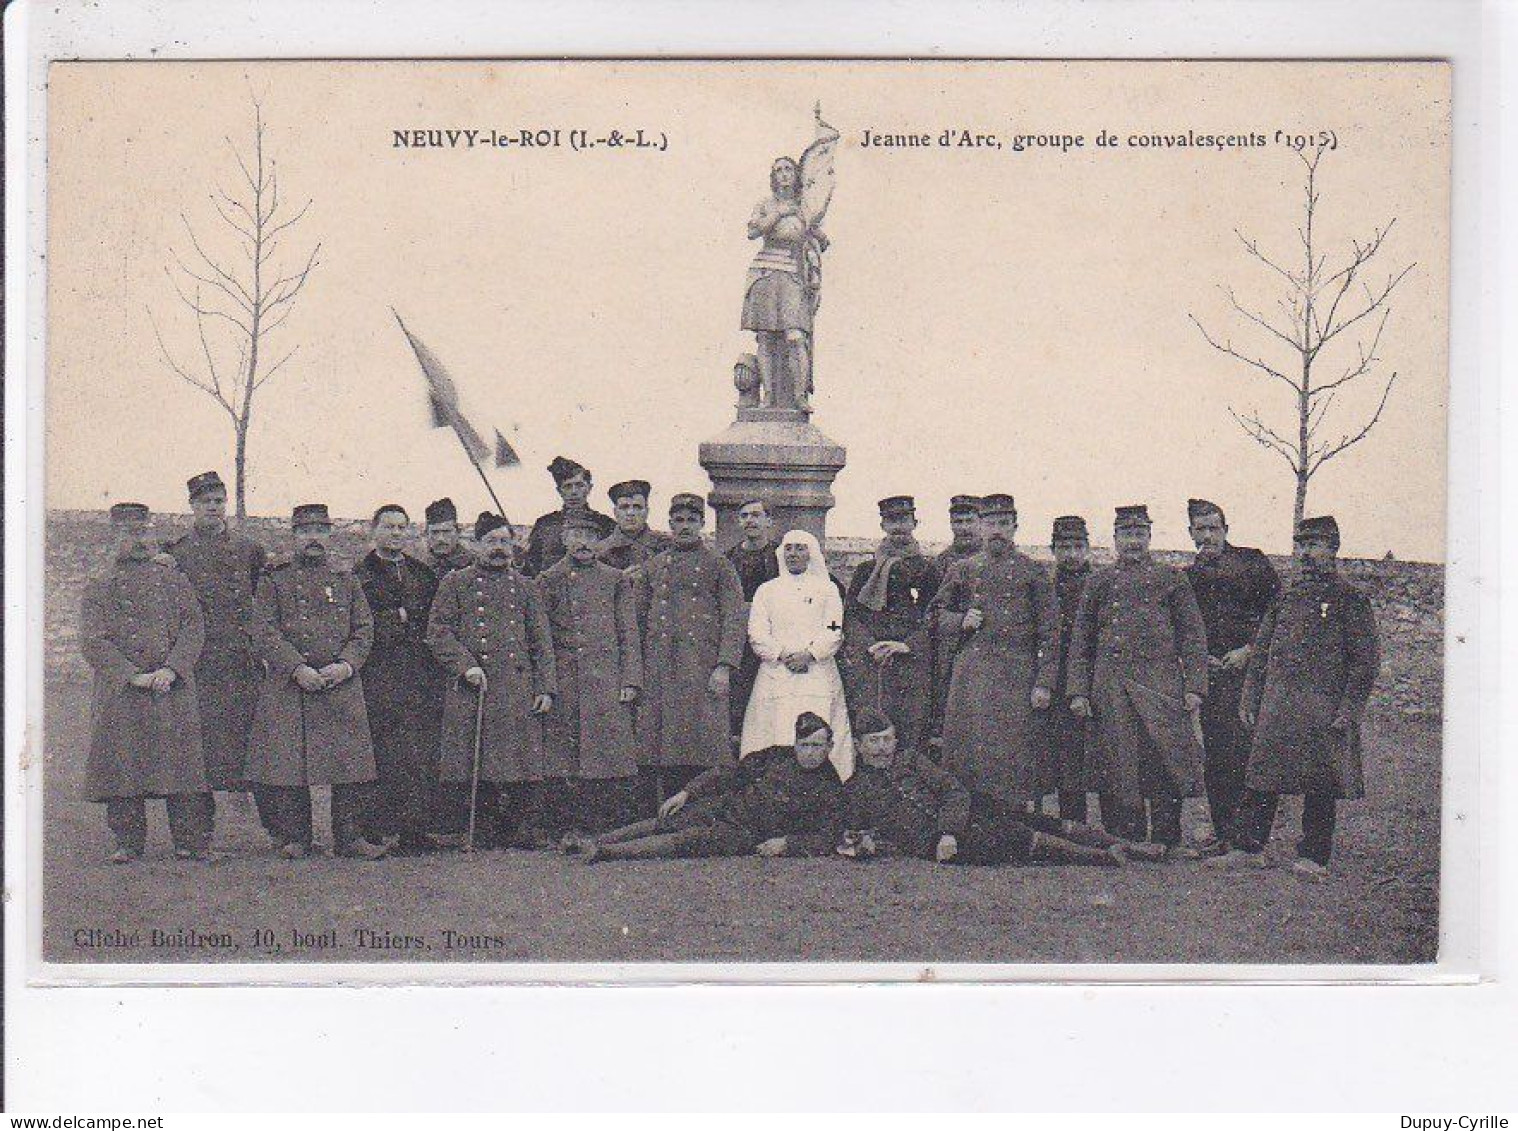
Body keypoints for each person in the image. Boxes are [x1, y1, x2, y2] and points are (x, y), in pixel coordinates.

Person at [1210, 516, 1380, 879]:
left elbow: (1365, 663)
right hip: (1277, 705)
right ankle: (1248, 848)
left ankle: (1314, 856)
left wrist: (1348, 710)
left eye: (1314, 545)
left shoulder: (1350, 599)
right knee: (1261, 777)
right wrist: (1250, 699)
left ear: (1333, 548)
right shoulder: (1286, 597)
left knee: (1321, 783)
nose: (1305, 554)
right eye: (1301, 546)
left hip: (1323, 708)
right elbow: (1261, 653)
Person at [837, 710, 1155, 868]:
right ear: (858, 746)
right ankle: (1102, 858)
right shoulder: (855, 788)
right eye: (873, 742)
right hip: (939, 844)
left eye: (887, 739)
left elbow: (952, 790)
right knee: (1015, 837)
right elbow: (863, 833)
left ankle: (1125, 845)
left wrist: (949, 829)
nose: (882, 748)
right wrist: (865, 843)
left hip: (962, 816)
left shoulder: (911, 760)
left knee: (1034, 819)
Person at [1067, 504, 1209, 856]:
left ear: (1149, 537)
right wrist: (1078, 691)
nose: (1133, 542)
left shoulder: (1171, 579)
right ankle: (1124, 838)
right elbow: (1082, 641)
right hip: (1110, 685)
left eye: (1139, 534)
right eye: (1126, 535)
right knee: (1117, 761)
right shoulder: (1099, 581)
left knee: (1164, 758)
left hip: (1160, 684)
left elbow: (1192, 635)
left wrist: (1194, 686)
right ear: (1115, 539)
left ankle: (1166, 837)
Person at [246, 503, 386, 860]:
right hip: (291, 684)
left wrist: (347, 665)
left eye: (319, 531)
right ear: (294, 536)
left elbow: (364, 628)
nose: (313, 538)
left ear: (329, 534)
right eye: (305, 531)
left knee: (348, 763)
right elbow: (264, 630)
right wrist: (295, 668)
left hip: (339, 682)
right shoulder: (274, 578)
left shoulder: (345, 578)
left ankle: (349, 837)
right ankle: (297, 837)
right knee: (290, 762)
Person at [81, 503, 212, 863]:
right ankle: (127, 841)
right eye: (128, 532)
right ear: (114, 536)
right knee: (123, 765)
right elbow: (92, 639)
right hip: (123, 691)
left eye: (142, 531)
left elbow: (193, 626)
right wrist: (130, 675)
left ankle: (189, 840)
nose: (137, 540)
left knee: (181, 766)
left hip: (171, 686)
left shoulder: (174, 579)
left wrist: (172, 669)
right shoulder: (100, 585)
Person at [426, 511, 557, 848]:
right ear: (476, 544)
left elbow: (540, 641)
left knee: (521, 759)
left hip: (517, 686)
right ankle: (481, 828)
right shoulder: (455, 583)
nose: (499, 548)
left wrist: (545, 687)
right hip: (475, 684)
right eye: (491, 542)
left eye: (504, 541)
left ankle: (522, 829)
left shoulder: (527, 587)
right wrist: (465, 665)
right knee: (476, 758)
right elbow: (439, 632)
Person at [572, 712, 847, 862]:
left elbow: (827, 836)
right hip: (728, 806)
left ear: (829, 747)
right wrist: (687, 792)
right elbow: (729, 773)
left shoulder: (830, 786)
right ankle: (595, 841)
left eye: (817, 746)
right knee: (669, 820)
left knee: (684, 841)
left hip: (745, 834)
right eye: (804, 745)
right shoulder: (776, 755)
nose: (810, 753)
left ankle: (606, 853)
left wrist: (787, 843)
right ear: (795, 743)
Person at [930, 494, 1059, 808]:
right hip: (973, 676)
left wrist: (1044, 682)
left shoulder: (1032, 572)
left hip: (1018, 673)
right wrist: (960, 620)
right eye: (990, 523)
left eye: (1004, 523)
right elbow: (934, 617)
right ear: (980, 526)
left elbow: (1050, 631)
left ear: (1015, 527)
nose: (997, 530)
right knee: (971, 753)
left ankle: (1017, 824)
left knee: (1014, 753)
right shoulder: (964, 569)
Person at [161, 470, 268, 835]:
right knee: (198, 747)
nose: (213, 508)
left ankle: (279, 831)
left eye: (218, 502)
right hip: (199, 664)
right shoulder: (176, 553)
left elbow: (260, 600)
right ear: (192, 506)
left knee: (254, 742)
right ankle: (196, 833)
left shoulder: (249, 550)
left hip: (241, 662)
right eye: (205, 502)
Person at [633, 493, 747, 804]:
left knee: (702, 741)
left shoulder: (719, 565)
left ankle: (699, 808)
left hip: (702, 667)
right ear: (669, 523)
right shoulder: (654, 566)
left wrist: (724, 665)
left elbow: (735, 616)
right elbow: (638, 619)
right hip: (660, 667)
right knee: (659, 743)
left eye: (691, 521)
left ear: (701, 524)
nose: (685, 527)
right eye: (679, 520)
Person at [1182, 498, 1281, 849]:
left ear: (1226, 530)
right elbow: (1186, 629)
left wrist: (1250, 651)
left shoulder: (1252, 563)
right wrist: (1200, 657)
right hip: (1214, 678)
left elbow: (1277, 615)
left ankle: (1252, 838)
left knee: (1252, 755)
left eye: (1214, 528)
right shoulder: (1188, 577)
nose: (1208, 535)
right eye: (1201, 529)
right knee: (1218, 756)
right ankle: (1225, 834)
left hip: (1250, 677)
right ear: (1190, 533)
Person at [538, 512, 644, 839]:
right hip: (566, 679)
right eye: (575, 535)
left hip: (606, 678)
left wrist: (630, 679)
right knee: (566, 757)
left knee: (608, 753)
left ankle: (607, 827)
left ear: (599, 541)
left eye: (590, 535)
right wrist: (548, 685)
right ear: (564, 539)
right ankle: (568, 826)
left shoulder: (615, 580)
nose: (583, 542)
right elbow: (541, 639)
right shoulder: (548, 580)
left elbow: (628, 632)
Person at [353, 504, 443, 854]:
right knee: (384, 752)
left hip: (420, 674)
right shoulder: (361, 575)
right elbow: (364, 624)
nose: (395, 534)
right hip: (380, 674)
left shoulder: (422, 574)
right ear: (373, 530)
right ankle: (380, 827)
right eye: (388, 527)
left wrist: (405, 618)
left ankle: (415, 829)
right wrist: (401, 616)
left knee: (418, 752)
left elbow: (434, 620)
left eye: (401, 528)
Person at [741, 528, 854, 779]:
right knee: (772, 730)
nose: (793, 554)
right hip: (775, 673)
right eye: (789, 548)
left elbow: (834, 629)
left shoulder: (827, 590)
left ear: (811, 553)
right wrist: (781, 654)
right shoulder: (767, 591)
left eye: (800, 548)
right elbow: (757, 631)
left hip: (817, 672)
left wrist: (810, 654)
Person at [839, 496, 941, 751]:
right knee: (871, 725)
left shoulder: (928, 570)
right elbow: (851, 614)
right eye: (891, 521)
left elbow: (935, 613)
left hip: (910, 662)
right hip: (872, 662)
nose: (898, 528)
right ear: (882, 525)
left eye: (904, 520)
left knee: (909, 729)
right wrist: (870, 645)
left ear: (914, 523)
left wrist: (907, 645)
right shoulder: (866, 570)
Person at [742, 155, 827, 412]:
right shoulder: (765, 205)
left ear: (796, 175)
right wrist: (780, 212)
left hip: (793, 273)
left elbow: (820, 239)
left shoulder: (804, 208)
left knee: (795, 336)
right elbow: (752, 231)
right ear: (773, 177)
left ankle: (799, 397)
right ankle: (768, 397)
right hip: (766, 272)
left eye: (788, 169)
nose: (784, 174)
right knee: (766, 337)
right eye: (778, 170)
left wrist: (815, 235)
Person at [926, 495, 984, 746]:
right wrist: (959, 622)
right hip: (951, 651)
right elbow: (931, 612)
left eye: (969, 521)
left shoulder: (993, 561)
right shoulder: (941, 563)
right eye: (957, 522)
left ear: (981, 522)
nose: (963, 528)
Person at [1049, 515, 1094, 823]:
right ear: (1053, 549)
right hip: (1057, 673)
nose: (1071, 554)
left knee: (1102, 748)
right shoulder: (1046, 584)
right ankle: (1072, 822)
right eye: (1064, 547)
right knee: (1067, 751)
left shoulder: (1100, 583)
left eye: (1077, 546)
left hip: (1096, 672)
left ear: (1088, 548)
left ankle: (1117, 827)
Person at [724, 497, 782, 738]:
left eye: (756, 515)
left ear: (769, 521)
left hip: (774, 638)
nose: (750, 520)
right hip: (739, 642)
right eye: (745, 516)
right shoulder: (727, 560)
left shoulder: (782, 557)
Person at [521, 456, 616, 578]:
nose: (574, 492)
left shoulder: (605, 524)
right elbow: (531, 568)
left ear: (589, 488)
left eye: (579, 485)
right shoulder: (545, 525)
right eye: (567, 486)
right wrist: (519, 560)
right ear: (559, 491)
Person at [594, 479, 671, 570]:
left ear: (647, 511)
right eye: (624, 507)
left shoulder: (665, 544)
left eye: (637, 507)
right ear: (615, 512)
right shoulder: (600, 550)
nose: (630, 513)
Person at [415, 497, 476, 577]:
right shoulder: (416, 567)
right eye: (435, 532)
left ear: (458, 532)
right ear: (426, 534)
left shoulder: (474, 565)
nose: (441, 538)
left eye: (446, 532)